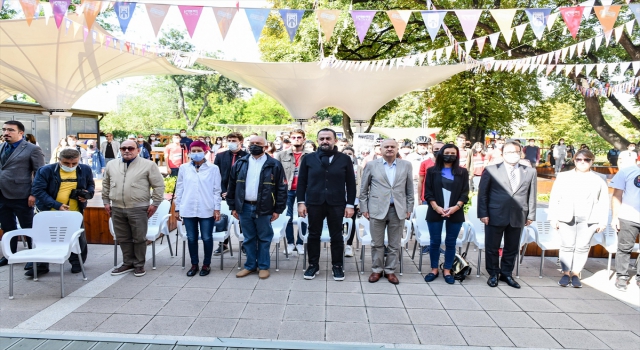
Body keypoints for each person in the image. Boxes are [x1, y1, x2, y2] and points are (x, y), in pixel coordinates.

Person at [297, 128, 356, 281]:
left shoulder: (344, 159)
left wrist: (350, 204)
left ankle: (337, 266)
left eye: (328, 138)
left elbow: (350, 184)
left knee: (336, 235)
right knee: (313, 234)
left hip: (337, 203)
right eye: (322, 138)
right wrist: (301, 203)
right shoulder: (308, 159)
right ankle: (313, 265)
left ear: (335, 141)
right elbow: (301, 182)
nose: (325, 141)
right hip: (314, 202)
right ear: (317, 141)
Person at [478, 141, 537, 289]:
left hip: (518, 214)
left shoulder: (529, 171)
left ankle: (506, 273)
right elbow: (483, 193)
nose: (513, 155)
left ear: (521, 153)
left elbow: (532, 195)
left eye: (516, 152)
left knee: (512, 247)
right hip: (494, 214)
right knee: (492, 246)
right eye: (509, 152)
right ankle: (493, 273)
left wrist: (531, 215)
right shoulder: (491, 170)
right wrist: (483, 213)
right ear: (503, 154)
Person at [227, 136, 287, 279]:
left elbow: (282, 188)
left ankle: (264, 266)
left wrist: (278, 209)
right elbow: (232, 186)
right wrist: (233, 207)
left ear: (265, 147)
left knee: (264, 238)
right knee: (248, 238)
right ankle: (250, 266)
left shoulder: (274, 164)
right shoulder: (240, 163)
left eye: (258, 144)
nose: (254, 146)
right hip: (245, 207)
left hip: (264, 207)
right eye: (252, 143)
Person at [103, 140, 165, 277]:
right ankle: (127, 263)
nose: (127, 150)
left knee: (139, 238)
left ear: (137, 150)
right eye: (123, 148)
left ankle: (139, 265)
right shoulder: (111, 164)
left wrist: (155, 203)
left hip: (138, 208)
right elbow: (106, 184)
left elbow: (158, 186)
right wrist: (106, 202)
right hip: (117, 208)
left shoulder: (148, 165)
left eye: (130, 148)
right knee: (123, 238)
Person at [547, 149, 608, 288]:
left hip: (589, 218)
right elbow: (555, 198)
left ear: (592, 161)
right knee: (566, 246)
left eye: (586, 160)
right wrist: (553, 218)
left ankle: (576, 273)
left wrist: (602, 221)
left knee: (582, 247)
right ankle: (566, 273)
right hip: (566, 216)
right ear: (574, 160)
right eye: (579, 159)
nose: (582, 162)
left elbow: (604, 201)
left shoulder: (599, 178)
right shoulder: (563, 176)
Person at [31, 148, 93, 276]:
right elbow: (38, 190)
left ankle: (77, 263)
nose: (70, 166)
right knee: (44, 239)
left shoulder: (85, 169)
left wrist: (87, 194)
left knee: (77, 239)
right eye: (66, 163)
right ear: (59, 160)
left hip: (74, 212)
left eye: (74, 164)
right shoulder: (45, 170)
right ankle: (41, 266)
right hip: (48, 211)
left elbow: (90, 185)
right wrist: (57, 205)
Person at [359, 139, 413, 285]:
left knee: (394, 244)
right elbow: (363, 189)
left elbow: (409, 189)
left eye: (392, 147)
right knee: (377, 242)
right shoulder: (371, 165)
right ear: (380, 149)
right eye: (386, 147)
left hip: (398, 210)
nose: (389, 149)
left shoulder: (406, 165)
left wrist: (409, 208)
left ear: (397, 149)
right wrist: (364, 208)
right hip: (376, 209)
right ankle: (377, 269)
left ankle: (390, 271)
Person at [0, 121, 45, 267]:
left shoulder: (32, 149)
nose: (6, 132)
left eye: (10, 130)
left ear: (21, 133)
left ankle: (34, 257)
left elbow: (39, 173)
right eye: (4, 129)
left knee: (28, 228)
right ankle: (9, 255)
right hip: (2, 195)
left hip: (23, 195)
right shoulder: (1, 147)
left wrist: (34, 194)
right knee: (7, 227)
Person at [423, 144, 470, 284]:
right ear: (441, 153)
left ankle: (448, 270)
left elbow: (465, 193)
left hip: (455, 212)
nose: (450, 155)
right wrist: (436, 207)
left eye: (453, 153)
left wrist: (456, 207)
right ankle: (434, 269)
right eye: (447, 152)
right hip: (435, 210)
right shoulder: (432, 171)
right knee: (434, 241)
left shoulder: (462, 172)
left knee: (451, 242)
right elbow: (428, 192)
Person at [174, 141, 222, 277]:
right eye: (193, 151)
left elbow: (216, 190)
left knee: (207, 237)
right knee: (191, 238)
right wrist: (177, 208)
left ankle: (206, 264)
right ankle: (194, 264)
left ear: (205, 151)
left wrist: (217, 208)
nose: (195, 153)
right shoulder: (183, 168)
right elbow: (180, 188)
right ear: (189, 152)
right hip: (188, 208)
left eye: (198, 150)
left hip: (207, 208)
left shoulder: (213, 168)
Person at [275, 129, 311, 255]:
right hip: (287, 190)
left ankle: (301, 243)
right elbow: (276, 174)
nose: (297, 139)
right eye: (294, 137)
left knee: (304, 216)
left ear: (304, 139)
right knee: (288, 217)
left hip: (305, 190)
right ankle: (290, 243)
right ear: (290, 139)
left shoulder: (311, 155)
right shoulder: (281, 155)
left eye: (299, 137)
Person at [213, 132, 248, 255]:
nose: (231, 142)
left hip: (241, 194)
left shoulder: (247, 156)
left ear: (240, 141)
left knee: (242, 218)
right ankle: (223, 243)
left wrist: (235, 192)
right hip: (223, 193)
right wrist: (223, 191)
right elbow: (216, 176)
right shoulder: (220, 156)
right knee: (223, 218)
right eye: (229, 140)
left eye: (234, 140)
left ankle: (245, 243)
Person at [610, 163, 640, 291]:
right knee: (624, 248)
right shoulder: (626, 172)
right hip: (628, 217)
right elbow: (617, 195)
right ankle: (621, 276)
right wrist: (615, 217)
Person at [342, 146, 362, 257]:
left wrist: (360, 202)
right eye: (345, 153)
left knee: (352, 222)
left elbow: (362, 185)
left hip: (353, 200)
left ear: (353, 155)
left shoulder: (358, 168)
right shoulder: (337, 167)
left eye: (350, 153)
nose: (348, 155)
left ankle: (349, 245)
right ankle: (340, 243)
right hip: (339, 200)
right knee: (339, 223)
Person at [418, 141, 444, 205]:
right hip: (427, 198)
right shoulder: (424, 163)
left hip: (443, 198)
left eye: (441, 149)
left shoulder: (450, 164)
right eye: (436, 149)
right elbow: (421, 181)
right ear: (432, 150)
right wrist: (419, 198)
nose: (439, 151)